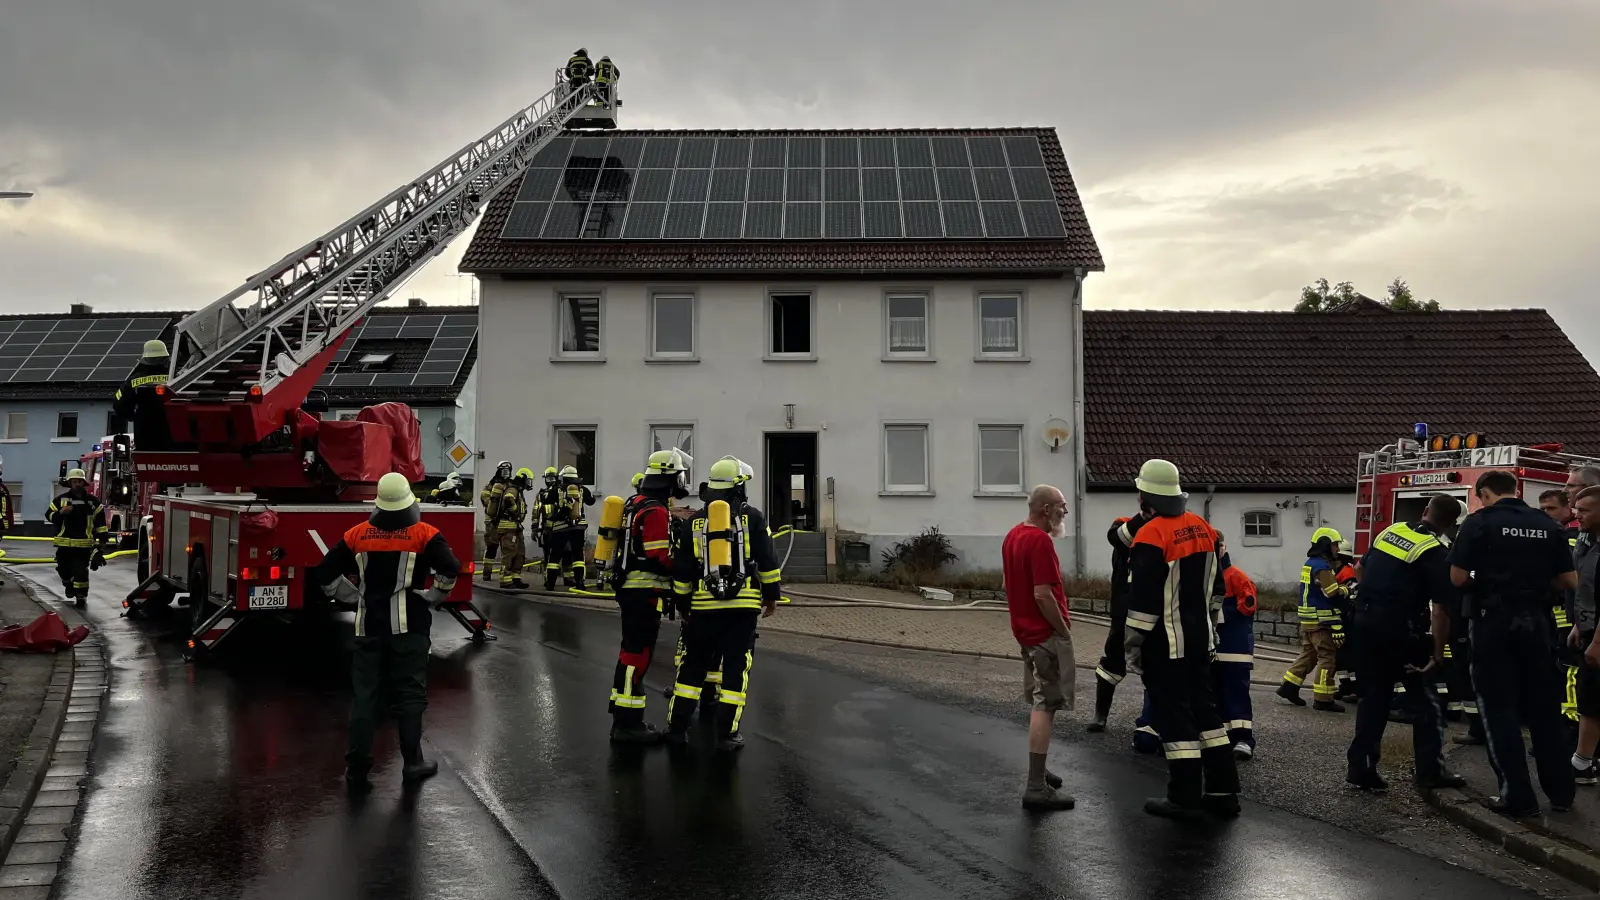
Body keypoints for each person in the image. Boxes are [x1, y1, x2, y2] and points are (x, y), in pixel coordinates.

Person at [313, 472, 461, 790]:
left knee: (365, 698)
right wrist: (434, 596)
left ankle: (356, 770)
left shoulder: (357, 535)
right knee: (409, 695)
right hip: (410, 630)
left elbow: (324, 572)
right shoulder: (425, 534)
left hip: (368, 629)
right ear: (409, 499)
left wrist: (351, 596)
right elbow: (451, 568)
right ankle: (413, 764)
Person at [1449, 469, 1578, 816]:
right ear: (1516, 490)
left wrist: (1488, 580)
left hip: (1494, 623)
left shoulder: (1479, 523)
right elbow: (1568, 580)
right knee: (1544, 709)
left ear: (1484, 493)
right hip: (1537, 624)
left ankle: (1518, 797)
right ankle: (1562, 794)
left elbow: (1458, 577)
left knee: (1499, 709)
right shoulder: (1548, 525)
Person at [1123, 459, 1240, 820]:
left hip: (1166, 645)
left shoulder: (1151, 535)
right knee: (1208, 716)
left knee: (1176, 722)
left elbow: (1142, 601)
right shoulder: (1204, 529)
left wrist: (1133, 645)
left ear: (1145, 495)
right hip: (1200, 642)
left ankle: (1183, 797)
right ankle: (1223, 793)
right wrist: (1211, 626)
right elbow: (1219, 589)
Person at [1345, 495, 1467, 793]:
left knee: (1373, 698)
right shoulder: (1436, 551)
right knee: (1428, 701)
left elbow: (1360, 569)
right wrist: (1437, 655)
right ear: (1451, 525)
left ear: (1425, 511)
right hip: (1400, 631)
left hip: (1363, 622)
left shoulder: (1391, 530)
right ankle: (1430, 772)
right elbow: (1441, 609)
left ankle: (1361, 766)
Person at [664, 457, 782, 751]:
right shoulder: (753, 518)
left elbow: (684, 568)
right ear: (739, 486)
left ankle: (677, 729)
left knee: (692, 668)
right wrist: (771, 596)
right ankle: (727, 735)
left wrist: (683, 604)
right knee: (735, 669)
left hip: (703, 609)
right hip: (742, 610)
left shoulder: (695, 521)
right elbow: (768, 561)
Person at [999, 485, 1076, 810]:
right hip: (1044, 636)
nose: (1064, 512)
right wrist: (1061, 630)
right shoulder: (1040, 540)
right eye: (1061, 506)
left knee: (1041, 700)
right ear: (1046, 509)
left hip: (1025, 634)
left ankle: (1040, 770)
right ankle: (1035, 786)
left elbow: (1007, 585)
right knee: (1046, 705)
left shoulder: (1013, 535)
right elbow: (1042, 594)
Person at [607, 449, 691, 744]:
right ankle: (629, 725)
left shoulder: (635, 504)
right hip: (645, 593)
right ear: (669, 477)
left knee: (629, 651)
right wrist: (684, 564)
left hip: (631, 590)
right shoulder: (655, 511)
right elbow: (659, 556)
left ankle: (622, 712)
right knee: (638, 654)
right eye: (679, 476)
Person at [1088, 508, 1151, 733]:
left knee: (1154, 667)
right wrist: (1144, 517)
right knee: (1112, 663)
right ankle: (1100, 716)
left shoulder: (1166, 528)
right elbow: (1117, 537)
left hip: (1152, 614)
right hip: (1123, 614)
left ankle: (1152, 721)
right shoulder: (1124, 524)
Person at [1276, 528, 1352, 712]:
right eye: (1334, 545)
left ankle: (1289, 686)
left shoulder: (1310, 563)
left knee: (1308, 655)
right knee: (1327, 658)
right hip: (1321, 621)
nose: (1336, 549)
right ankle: (1323, 699)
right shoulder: (1322, 567)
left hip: (1309, 620)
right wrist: (1347, 590)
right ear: (1325, 544)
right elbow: (1331, 592)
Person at [1214, 537, 1259, 760]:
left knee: (1237, 693)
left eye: (1219, 546)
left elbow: (1248, 606)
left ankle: (1244, 739)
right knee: (1217, 695)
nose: (1216, 551)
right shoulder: (1204, 577)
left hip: (1234, 648)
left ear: (1225, 547)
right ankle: (1223, 739)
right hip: (1213, 649)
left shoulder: (1235, 576)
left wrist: (1221, 613)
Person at [1567, 486, 1600, 786]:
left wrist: (1597, 643)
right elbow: (1586, 590)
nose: (1577, 514)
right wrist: (1579, 624)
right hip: (1589, 629)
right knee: (1588, 699)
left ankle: (1582, 764)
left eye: (1585, 510)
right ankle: (1584, 761)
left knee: (1592, 701)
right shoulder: (1586, 539)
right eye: (1577, 509)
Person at [48, 468, 110, 605]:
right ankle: (68, 585)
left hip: (83, 545)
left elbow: (101, 524)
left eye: (79, 481)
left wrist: (101, 546)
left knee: (81, 572)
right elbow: (49, 515)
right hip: (64, 545)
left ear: (84, 483)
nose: (77, 484)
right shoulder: (61, 500)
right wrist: (61, 513)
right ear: (70, 483)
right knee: (64, 570)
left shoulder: (93, 503)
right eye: (74, 481)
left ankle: (81, 596)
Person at [112, 339, 177, 451]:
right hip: (176, 438)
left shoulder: (133, 381)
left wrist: (133, 416)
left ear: (145, 359)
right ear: (166, 358)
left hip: (145, 438)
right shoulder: (178, 378)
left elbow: (119, 404)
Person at [543, 465, 594, 590]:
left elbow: (546, 501)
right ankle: (580, 584)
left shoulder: (557, 490)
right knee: (578, 556)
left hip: (560, 528)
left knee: (555, 556)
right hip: (578, 528)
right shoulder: (582, 489)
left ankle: (550, 584)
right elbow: (591, 501)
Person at [492, 468, 532, 589]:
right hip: (508, 527)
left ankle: (516, 578)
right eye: (528, 480)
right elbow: (508, 498)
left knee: (519, 553)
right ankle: (505, 580)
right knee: (509, 553)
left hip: (515, 527)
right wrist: (515, 510)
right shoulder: (512, 489)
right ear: (523, 479)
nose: (529, 483)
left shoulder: (518, 490)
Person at [478, 461, 513, 582]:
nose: (506, 474)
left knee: (507, 549)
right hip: (492, 522)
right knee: (492, 547)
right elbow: (486, 499)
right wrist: (496, 503)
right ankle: (486, 573)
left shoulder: (511, 486)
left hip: (505, 522)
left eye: (508, 472)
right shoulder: (490, 485)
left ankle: (505, 574)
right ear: (498, 472)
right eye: (503, 472)